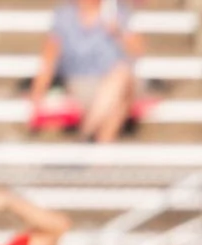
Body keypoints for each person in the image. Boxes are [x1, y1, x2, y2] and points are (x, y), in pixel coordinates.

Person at [28, 0, 142, 144]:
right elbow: (50, 56)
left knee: (121, 75)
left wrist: (118, 31)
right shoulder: (65, 15)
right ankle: (98, 150)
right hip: (82, 82)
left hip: (117, 81)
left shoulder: (117, 12)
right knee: (117, 104)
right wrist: (37, 92)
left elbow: (137, 50)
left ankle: (85, 135)